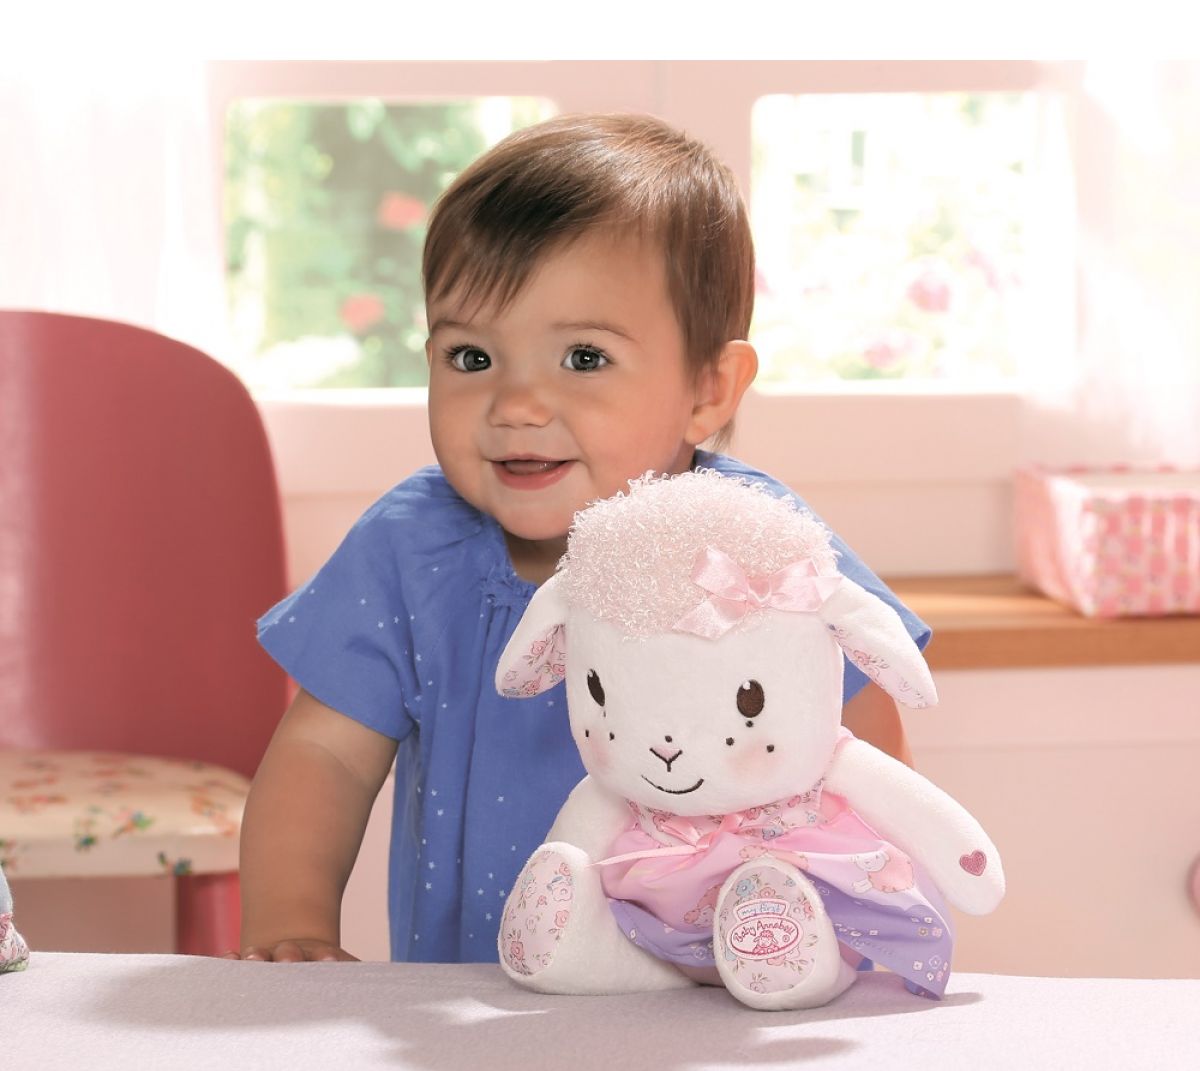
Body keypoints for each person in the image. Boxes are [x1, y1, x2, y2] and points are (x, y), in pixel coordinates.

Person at [225, 113, 930, 966]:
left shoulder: (752, 544)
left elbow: (861, 747)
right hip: (466, 1003)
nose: (516, 405)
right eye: (472, 358)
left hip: (720, 998)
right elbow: (325, 756)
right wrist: (292, 925)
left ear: (709, 389)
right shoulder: (411, 549)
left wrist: (848, 935)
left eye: (584, 359)